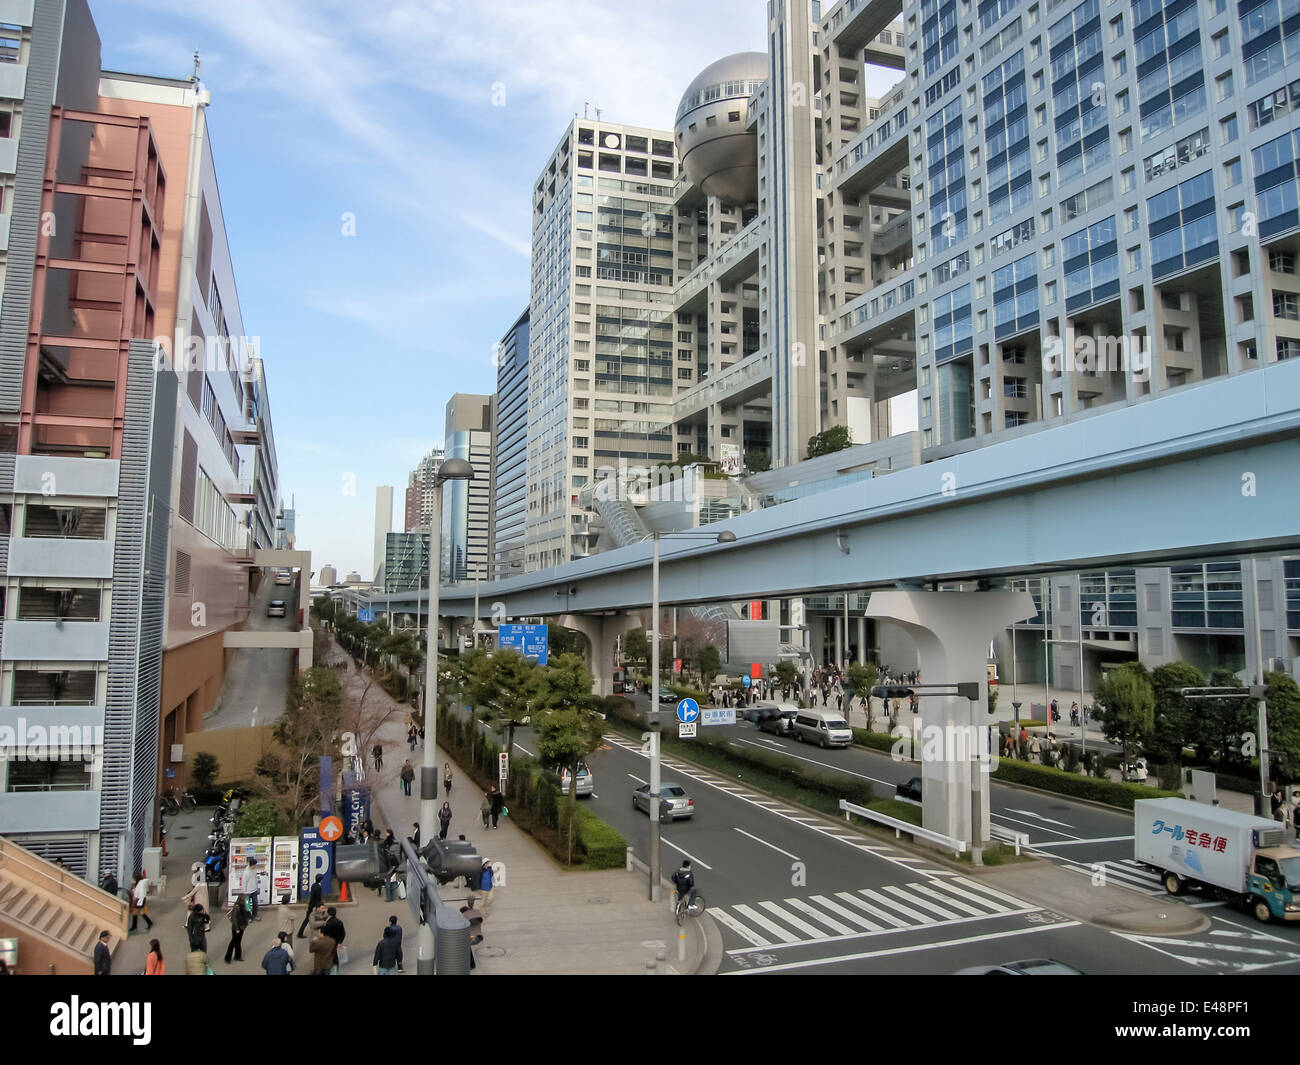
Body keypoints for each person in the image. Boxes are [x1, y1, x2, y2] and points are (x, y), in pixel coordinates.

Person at [224, 895, 250, 963]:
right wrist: (236, 929)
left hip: (242, 927)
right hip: (237, 928)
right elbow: (234, 919)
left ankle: (237, 956)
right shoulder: (236, 907)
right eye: (245, 900)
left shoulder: (244, 906)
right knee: (233, 942)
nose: (246, 901)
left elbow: (247, 914)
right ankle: (227, 958)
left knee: (238, 942)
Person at [323, 907, 346, 972]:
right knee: (336, 961)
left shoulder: (328, 923)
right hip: (337, 944)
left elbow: (324, 933)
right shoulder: (339, 922)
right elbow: (343, 933)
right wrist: (340, 942)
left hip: (329, 945)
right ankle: (335, 972)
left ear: (328, 913)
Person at [240, 857, 261, 921]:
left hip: (254, 890)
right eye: (254, 865)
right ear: (251, 865)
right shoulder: (246, 872)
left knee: (255, 904)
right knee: (247, 905)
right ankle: (249, 917)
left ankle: (255, 915)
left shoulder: (254, 870)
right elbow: (244, 882)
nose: (255, 866)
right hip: (247, 892)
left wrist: (256, 887)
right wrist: (244, 892)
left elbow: (255, 879)